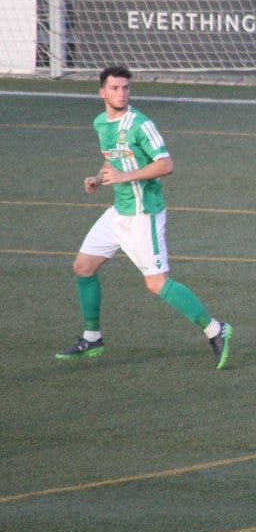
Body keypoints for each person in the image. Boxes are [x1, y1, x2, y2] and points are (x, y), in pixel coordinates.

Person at [56, 65, 232, 368]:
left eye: (125, 88)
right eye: (115, 88)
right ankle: (93, 336)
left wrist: (126, 176)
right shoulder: (101, 123)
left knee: (157, 284)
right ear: (102, 92)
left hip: (144, 214)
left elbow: (166, 164)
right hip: (119, 212)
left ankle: (216, 329)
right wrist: (98, 178)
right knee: (83, 266)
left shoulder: (141, 124)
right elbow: (112, 159)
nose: (121, 93)